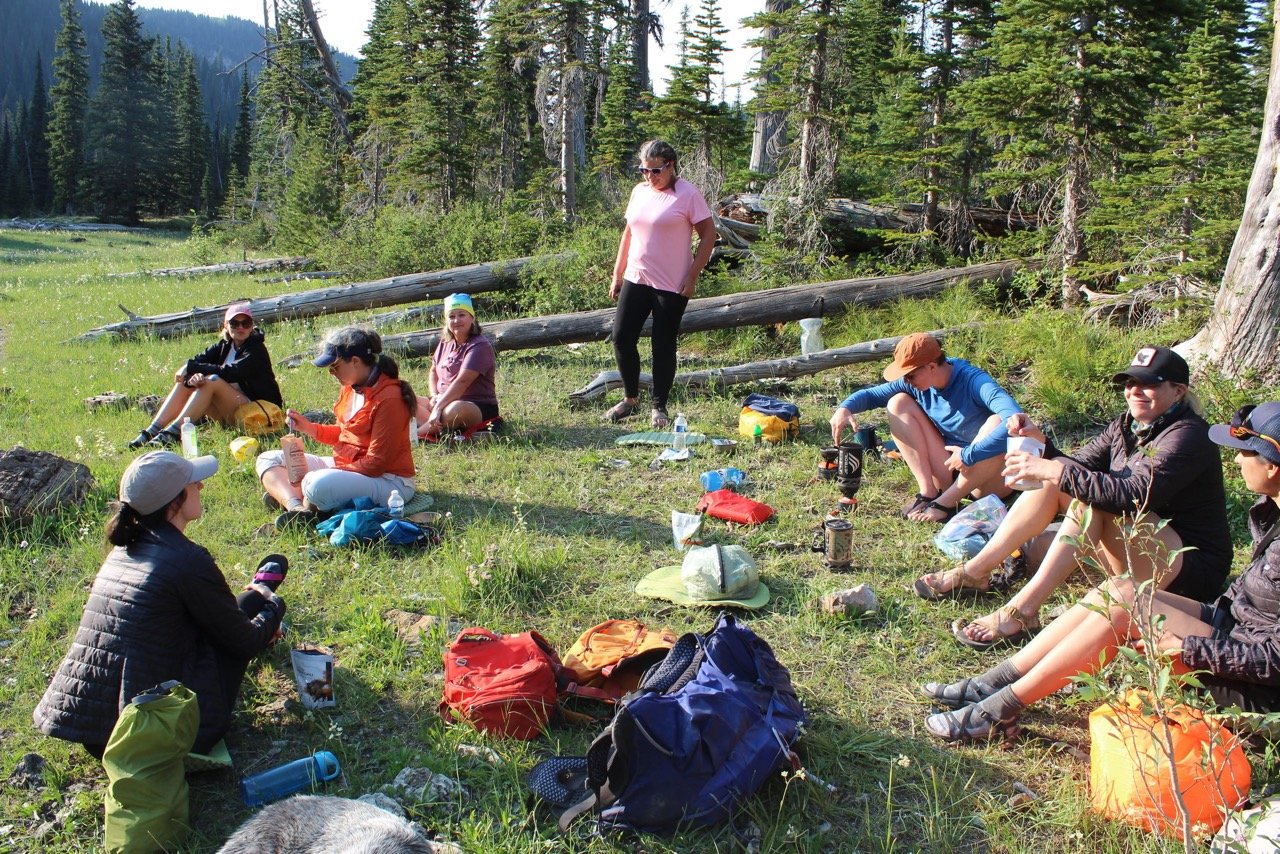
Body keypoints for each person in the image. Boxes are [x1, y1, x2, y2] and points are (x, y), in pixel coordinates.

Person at [920, 401, 1280, 741]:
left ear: (1271, 467)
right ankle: (994, 681)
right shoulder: (1270, 510)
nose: (1236, 461)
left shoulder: (1186, 434)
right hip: (1236, 632)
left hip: (1256, 688)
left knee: (1124, 607)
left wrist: (1193, 649)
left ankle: (999, 710)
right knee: (1119, 590)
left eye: (1245, 453)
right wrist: (1044, 448)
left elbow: (1275, 658)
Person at [917, 346, 1231, 651]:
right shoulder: (1126, 426)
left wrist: (1050, 469)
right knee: (1058, 483)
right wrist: (1040, 442)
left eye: (1150, 384)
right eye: (1131, 382)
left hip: (1189, 572)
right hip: (1141, 548)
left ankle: (1022, 611)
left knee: (1088, 499)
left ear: (1178, 391)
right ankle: (975, 572)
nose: (1135, 391)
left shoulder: (1187, 434)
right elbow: (1076, 468)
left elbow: (1133, 496)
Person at [33, 451, 286, 758]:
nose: (201, 488)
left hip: (97, 730)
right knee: (233, 632)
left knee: (223, 615)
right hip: (157, 733)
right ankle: (264, 591)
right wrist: (275, 608)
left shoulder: (124, 550)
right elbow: (244, 643)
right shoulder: (187, 560)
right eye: (194, 483)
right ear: (174, 500)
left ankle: (258, 590)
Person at [829, 332, 1023, 523]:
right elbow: (872, 395)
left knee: (997, 421)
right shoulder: (915, 382)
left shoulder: (974, 381)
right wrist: (844, 408)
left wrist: (969, 454)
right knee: (897, 403)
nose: (906, 381)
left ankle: (945, 504)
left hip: (986, 479)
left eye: (910, 375)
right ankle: (929, 493)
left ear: (931, 366)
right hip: (950, 468)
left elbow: (1016, 421)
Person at [605, 139, 717, 429]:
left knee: (662, 345)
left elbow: (708, 235)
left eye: (655, 171)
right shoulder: (639, 192)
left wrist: (692, 276)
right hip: (637, 276)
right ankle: (630, 398)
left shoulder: (687, 193)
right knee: (621, 337)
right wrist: (617, 274)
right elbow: (628, 233)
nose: (649, 177)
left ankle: (659, 405)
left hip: (672, 283)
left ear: (671, 166)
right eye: (644, 170)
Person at [258, 326, 417, 528]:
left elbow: (377, 464)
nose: (331, 373)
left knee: (315, 483)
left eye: (334, 366)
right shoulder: (351, 387)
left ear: (356, 362)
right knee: (267, 459)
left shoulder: (389, 399)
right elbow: (344, 434)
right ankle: (297, 507)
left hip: (390, 482)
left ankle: (295, 499)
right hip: (350, 467)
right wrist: (308, 427)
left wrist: (335, 471)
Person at [127, 303, 284, 449]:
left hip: (256, 413)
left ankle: (173, 433)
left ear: (252, 327)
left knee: (212, 380)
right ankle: (151, 431)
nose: (240, 327)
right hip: (229, 411)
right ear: (226, 326)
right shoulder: (224, 346)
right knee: (187, 382)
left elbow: (232, 372)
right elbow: (198, 361)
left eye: (246, 323)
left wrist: (190, 368)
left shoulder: (256, 349)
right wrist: (192, 377)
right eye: (235, 324)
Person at [415, 293, 499, 438]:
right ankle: (432, 424)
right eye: (451, 316)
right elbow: (433, 371)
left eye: (461, 315)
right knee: (402, 396)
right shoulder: (445, 343)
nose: (456, 320)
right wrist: (434, 395)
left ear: (472, 318)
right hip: (441, 400)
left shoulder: (479, 346)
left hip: (474, 406)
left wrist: (439, 406)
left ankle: (414, 436)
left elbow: (462, 382)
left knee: (453, 410)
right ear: (446, 320)